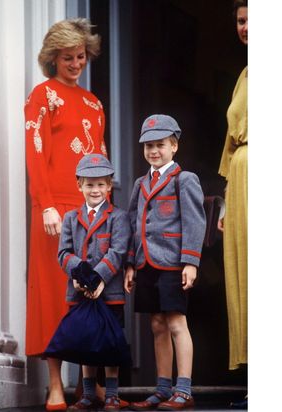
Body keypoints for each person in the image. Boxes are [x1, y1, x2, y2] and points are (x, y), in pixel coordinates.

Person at [24, 18, 107, 410]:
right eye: (68, 57)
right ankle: (55, 384)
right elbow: (35, 152)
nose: (76, 64)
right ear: (53, 57)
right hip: (55, 208)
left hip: (90, 210)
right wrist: (45, 204)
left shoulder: (94, 103)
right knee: (56, 296)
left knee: (91, 294)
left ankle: (88, 386)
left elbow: (101, 159)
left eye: (81, 57)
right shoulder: (42, 95)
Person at [125, 114, 206, 410]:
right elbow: (134, 224)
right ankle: (162, 388)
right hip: (146, 263)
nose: (153, 151)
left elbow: (195, 222)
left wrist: (191, 261)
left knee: (175, 323)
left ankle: (183, 389)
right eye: (148, 146)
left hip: (173, 263)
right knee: (157, 324)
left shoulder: (184, 179)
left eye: (160, 145)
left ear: (174, 146)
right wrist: (131, 263)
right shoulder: (139, 183)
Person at [56, 154, 131, 411]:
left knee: (110, 341)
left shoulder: (118, 217)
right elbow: (64, 253)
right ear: (79, 185)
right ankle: (88, 394)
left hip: (109, 290)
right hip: (79, 291)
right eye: (89, 184)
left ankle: (111, 393)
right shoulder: (70, 218)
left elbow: (118, 251)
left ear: (109, 185)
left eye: (100, 184)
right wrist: (80, 278)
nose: (95, 190)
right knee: (86, 341)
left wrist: (97, 278)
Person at [218, 1, 248, 409]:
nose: (247, 29)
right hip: (241, 181)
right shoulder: (244, 75)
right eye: (242, 21)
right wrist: (225, 205)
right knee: (242, 273)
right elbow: (230, 143)